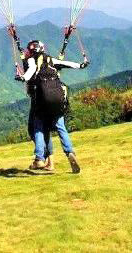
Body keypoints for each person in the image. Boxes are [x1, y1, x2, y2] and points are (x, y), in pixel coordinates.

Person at [19, 40, 87, 173]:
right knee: (61, 128)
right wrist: (80, 65)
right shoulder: (50, 59)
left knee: (38, 127)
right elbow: (65, 63)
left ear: (32, 50)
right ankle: (70, 152)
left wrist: (24, 77)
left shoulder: (32, 60)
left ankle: (39, 158)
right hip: (57, 100)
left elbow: (31, 69)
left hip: (42, 100)